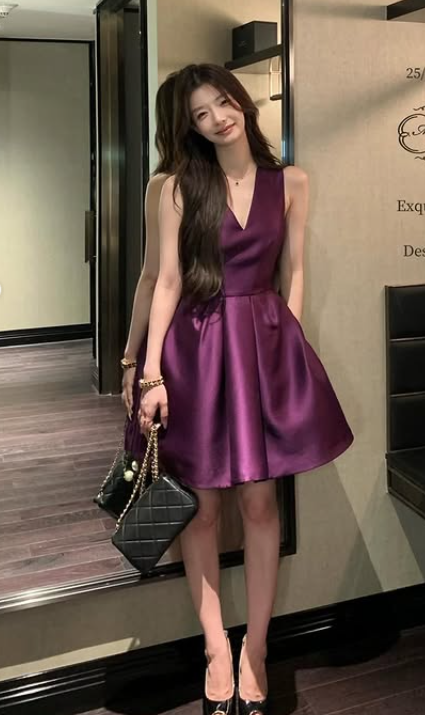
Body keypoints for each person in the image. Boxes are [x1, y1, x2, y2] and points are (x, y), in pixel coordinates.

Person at [134, 63, 353, 715]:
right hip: (196, 352)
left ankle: (255, 648)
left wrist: (290, 344)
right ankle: (214, 648)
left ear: (242, 102)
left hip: (262, 347)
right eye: (199, 114)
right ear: (189, 127)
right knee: (200, 509)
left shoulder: (292, 181)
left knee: (259, 503)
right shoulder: (176, 187)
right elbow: (166, 281)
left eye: (222, 103)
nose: (216, 119)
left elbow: (295, 271)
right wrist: (147, 371)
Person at [120, 72, 178, 416]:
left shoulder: (165, 183)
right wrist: (131, 357)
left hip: (184, 333)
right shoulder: (166, 184)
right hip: (179, 335)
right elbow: (154, 277)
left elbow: (153, 277)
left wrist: (131, 358)